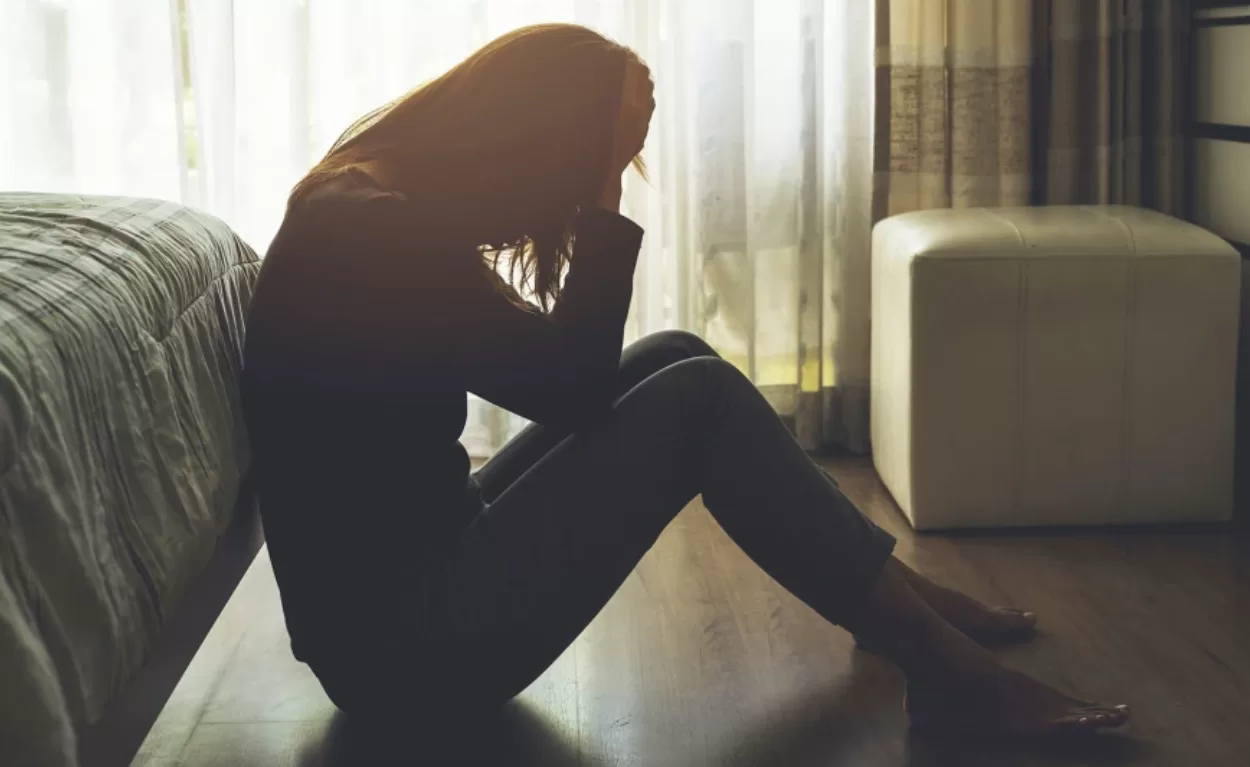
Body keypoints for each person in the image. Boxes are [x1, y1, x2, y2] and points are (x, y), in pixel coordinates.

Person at [240, 23, 1129, 739]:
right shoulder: (376, 232)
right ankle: (946, 673)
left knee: (672, 354)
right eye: (600, 160)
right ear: (535, 140)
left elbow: (553, 376)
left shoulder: (365, 199)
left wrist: (601, 149)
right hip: (415, 652)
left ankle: (890, 601)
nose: (606, 181)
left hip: (395, 610)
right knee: (695, 402)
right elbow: (572, 386)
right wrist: (599, 202)